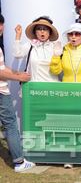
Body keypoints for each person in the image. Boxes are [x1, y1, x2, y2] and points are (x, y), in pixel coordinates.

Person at [0, 43, 35, 172]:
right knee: (10, 124)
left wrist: (18, 73)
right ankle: (19, 162)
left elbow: (2, 68)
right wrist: (17, 77)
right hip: (1, 93)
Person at [13, 16, 61, 82]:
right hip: (34, 88)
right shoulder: (30, 45)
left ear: (50, 32)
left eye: (45, 29)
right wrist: (18, 35)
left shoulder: (55, 46)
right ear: (35, 32)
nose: (42, 31)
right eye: (39, 29)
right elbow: (17, 54)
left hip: (52, 88)